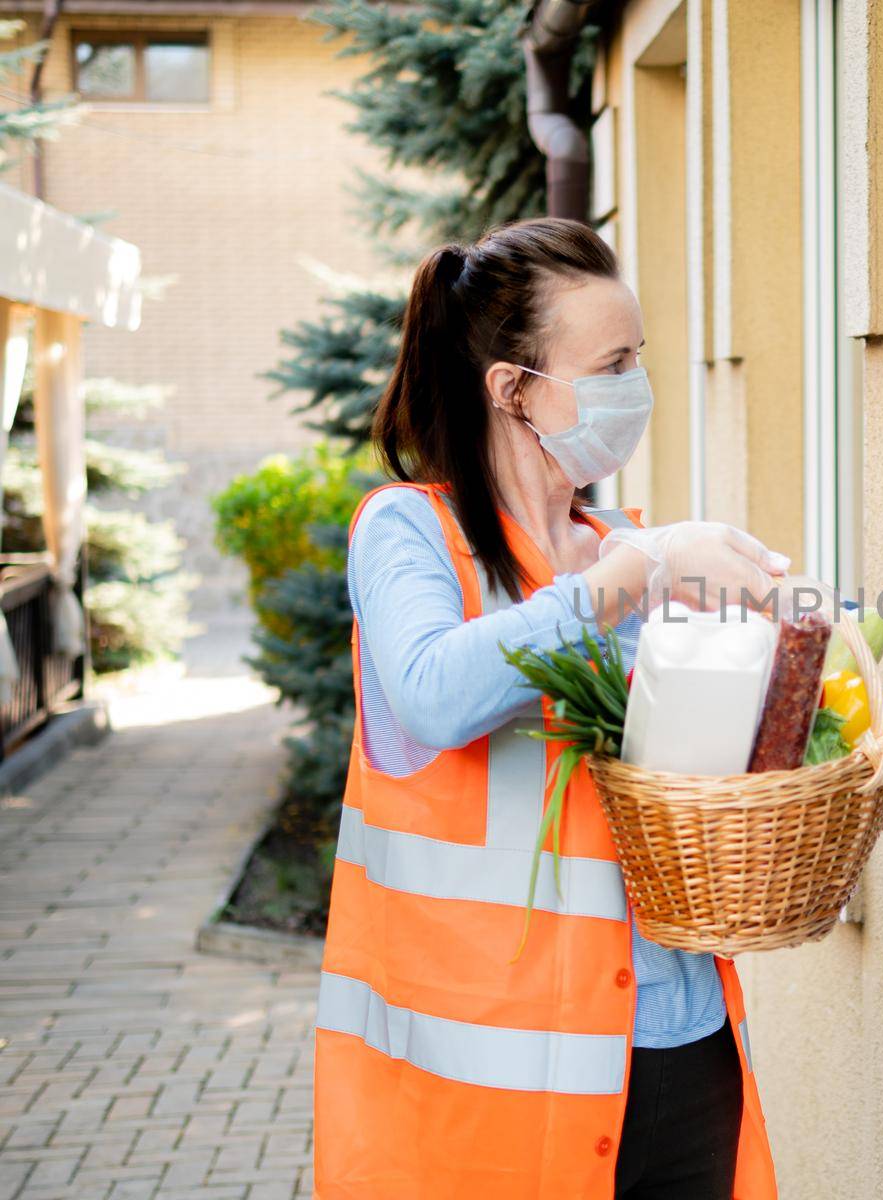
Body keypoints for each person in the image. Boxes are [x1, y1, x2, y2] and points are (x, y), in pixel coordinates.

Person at [311, 217, 781, 1199]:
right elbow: (436, 695)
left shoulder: (624, 543)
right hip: (491, 1065)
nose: (633, 387)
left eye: (636, 359)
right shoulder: (412, 531)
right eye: (610, 363)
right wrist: (631, 576)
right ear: (513, 389)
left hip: (672, 1037)